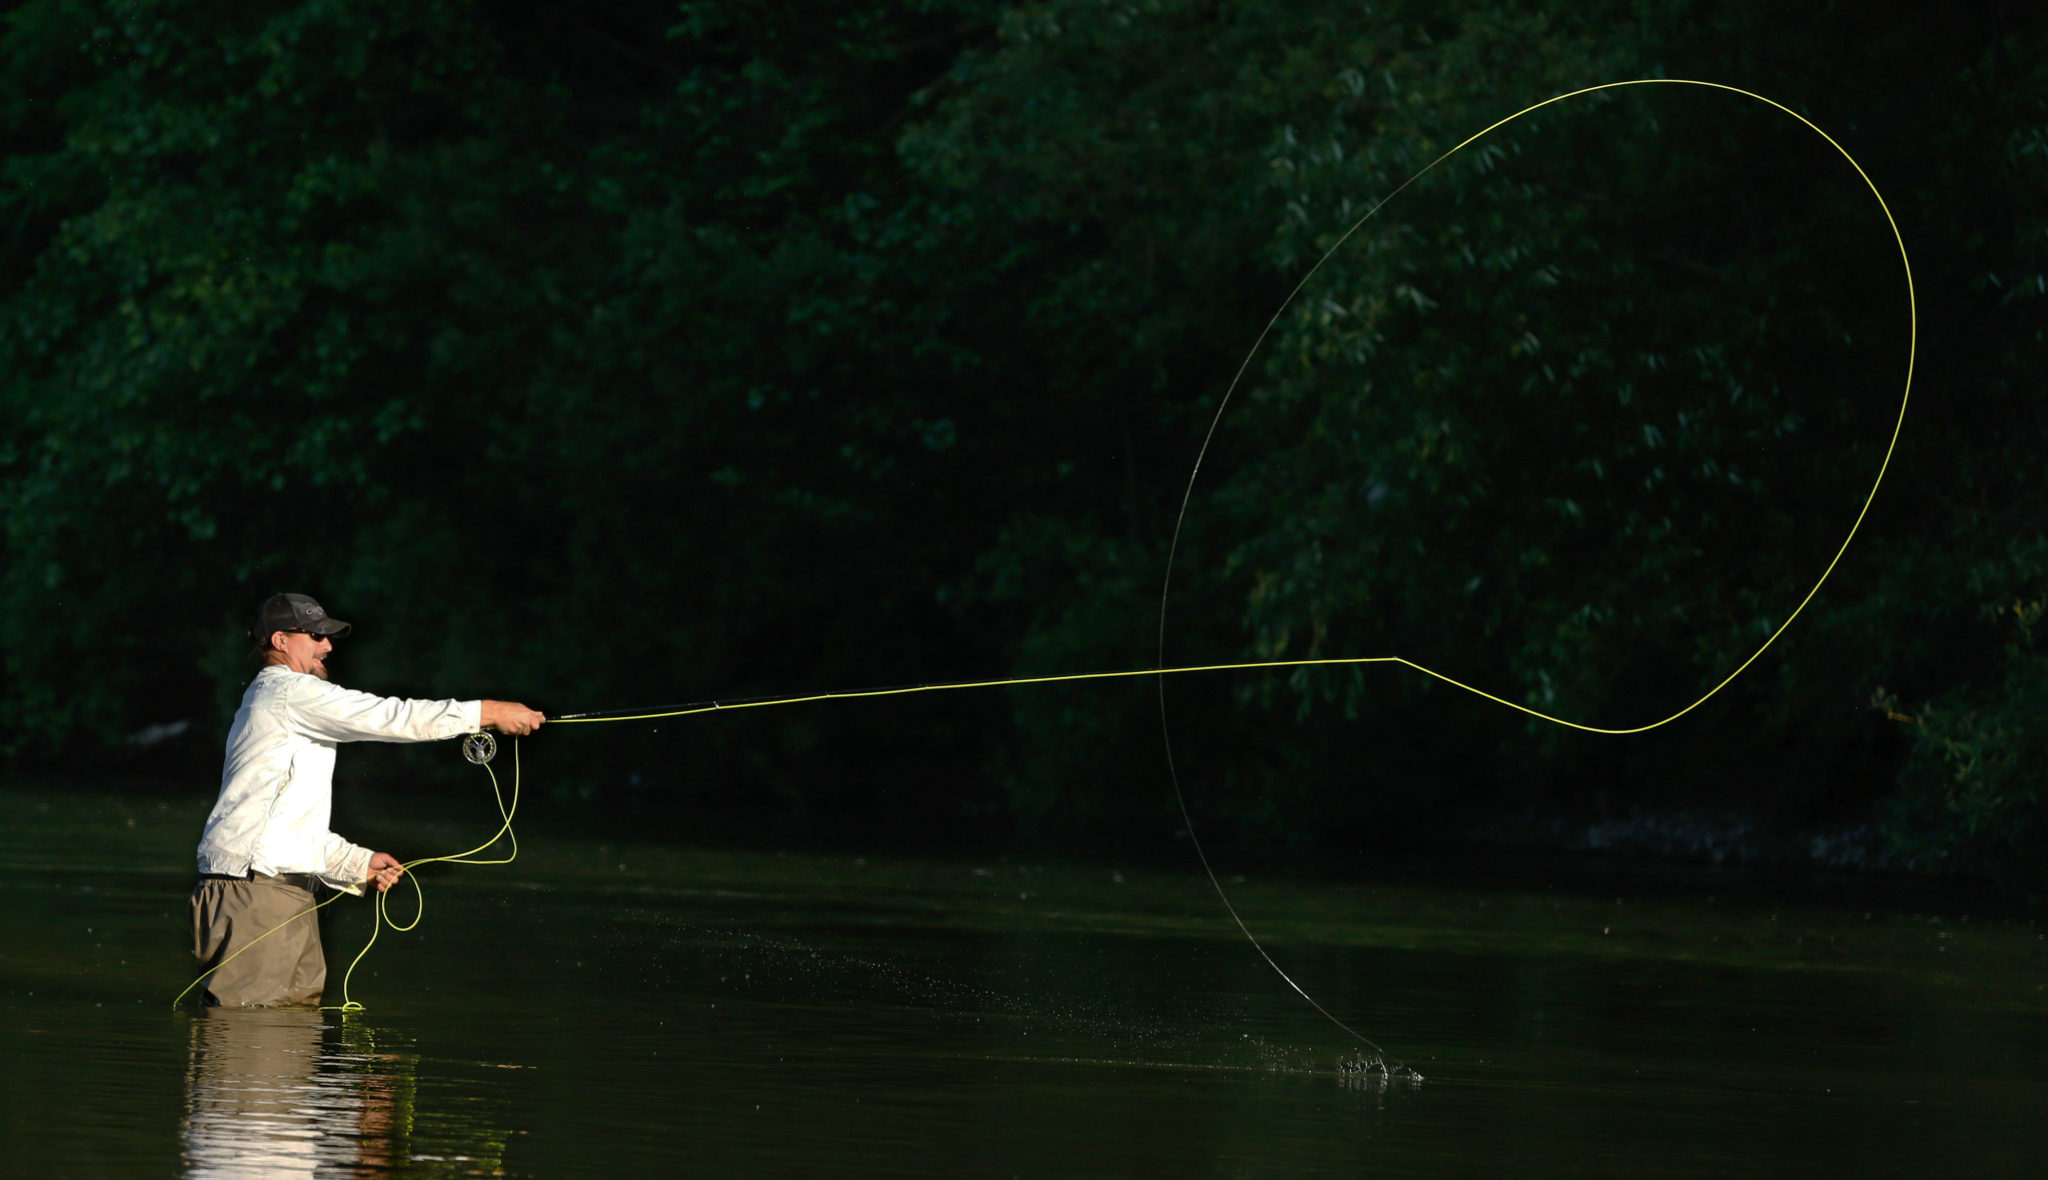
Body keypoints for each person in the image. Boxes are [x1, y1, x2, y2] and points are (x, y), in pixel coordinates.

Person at [190, 592, 545, 1006]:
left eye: (328, 637)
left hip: (282, 894)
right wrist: (486, 712)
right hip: (258, 896)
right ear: (281, 641)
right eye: (315, 635)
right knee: (251, 1044)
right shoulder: (289, 692)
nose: (328, 646)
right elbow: (387, 715)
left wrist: (355, 863)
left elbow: (279, 820)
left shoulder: (281, 703)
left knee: (288, 1039)